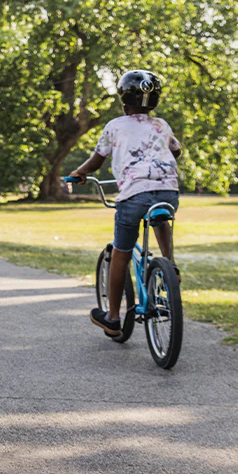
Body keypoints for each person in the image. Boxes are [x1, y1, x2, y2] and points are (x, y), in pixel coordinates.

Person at [69, 69, 181, 337]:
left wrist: (79, 173)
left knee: (121, 251)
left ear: (123, 101)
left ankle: (113, 317)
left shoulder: (115, 126)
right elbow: (176, 151)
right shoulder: (162, 125)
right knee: (160, 216)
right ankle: (170, 264)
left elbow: (97, 161)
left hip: (133, 195)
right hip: (168, 191)